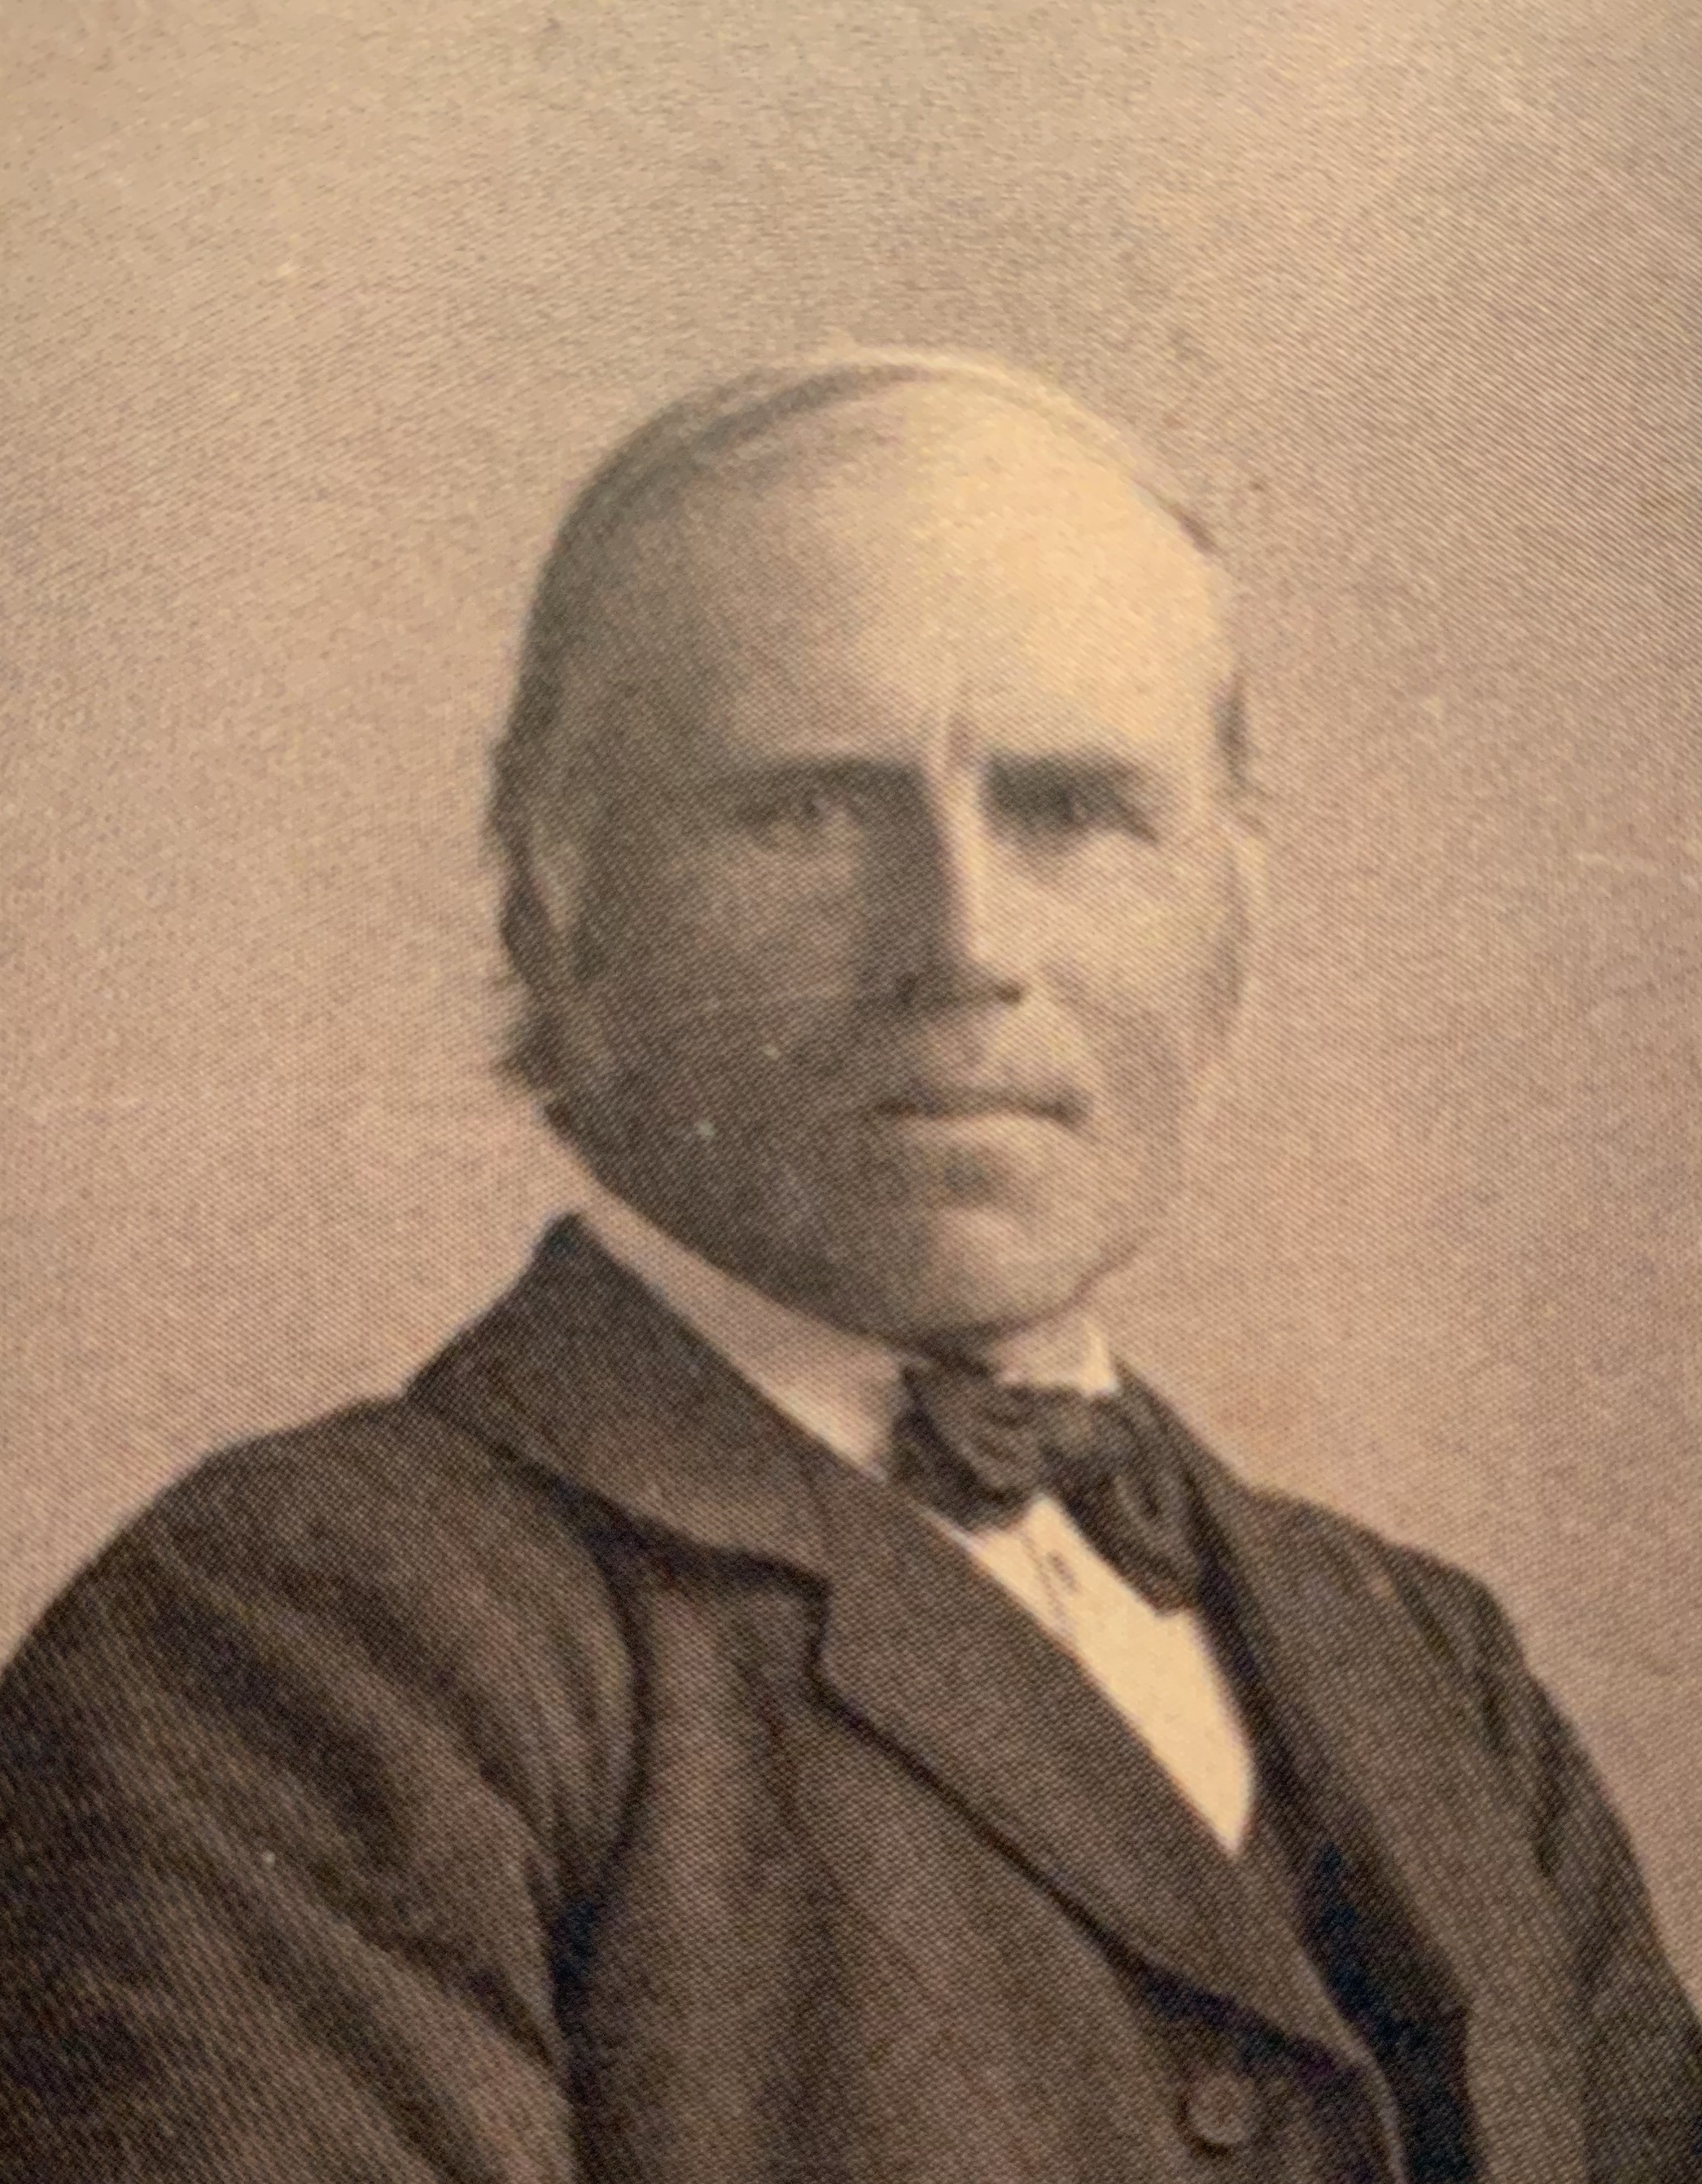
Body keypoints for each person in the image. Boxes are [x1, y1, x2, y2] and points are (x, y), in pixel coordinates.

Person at [1, 351, 1695, 2182]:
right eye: (807, 811)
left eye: (1072, 810)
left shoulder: (1434, 1671)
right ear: (556, 898)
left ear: (1232, 912)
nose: (964, 944)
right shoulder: (290, 1653)